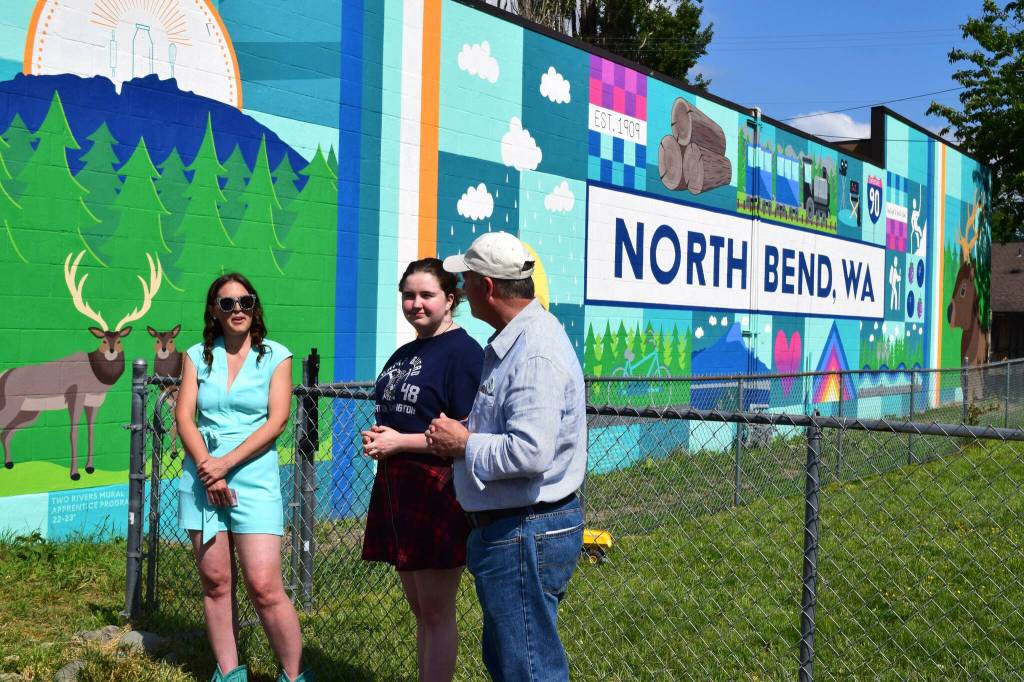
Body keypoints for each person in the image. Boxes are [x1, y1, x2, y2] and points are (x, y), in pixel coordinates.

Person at [426, 232, 587, 682]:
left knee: (527, 669)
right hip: (519, 530)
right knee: (514, 660)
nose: (460, 290)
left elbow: (531, 451)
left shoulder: (533, 351)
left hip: (523, 532)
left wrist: (463, 443)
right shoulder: (521, 338)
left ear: (488, 287)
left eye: (467, 279)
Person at [175, 273, 310, 682]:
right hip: (202, 476)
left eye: (245, 301)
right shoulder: (196, 355)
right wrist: (209, 469)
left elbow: (278, 420)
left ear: (255, 307)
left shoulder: (277, 356)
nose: (238, 310)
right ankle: (230, 674)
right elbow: (184, 416)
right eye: (228, 303)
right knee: (216, 583)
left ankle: (294, 675)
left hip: (253, 476)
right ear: (214, 311)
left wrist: (226, 464)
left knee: (265, 585)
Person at [361, 257, 484, 682]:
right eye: (408, 295)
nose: (415, 303)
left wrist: (399, 441)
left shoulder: (463, 352)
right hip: (399, 488)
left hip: (438, 491)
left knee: (436, 611)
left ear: (450, 299)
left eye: (426, 295)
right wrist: (381, 436)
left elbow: (468, 431)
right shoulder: (407, 351)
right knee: (421, 610)